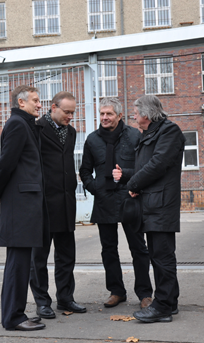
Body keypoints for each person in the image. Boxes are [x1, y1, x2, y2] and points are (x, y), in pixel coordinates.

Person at [116, 95, 185, 323]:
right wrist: (128, 175)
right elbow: (144, 167)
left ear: (146, 114)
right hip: (152, 204)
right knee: (158, 256)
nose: (133, 116)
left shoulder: (169, 131)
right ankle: (169, 302)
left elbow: (157, 165)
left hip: (161, 205)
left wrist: (133, 184)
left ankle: (162, 307)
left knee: (162, 257)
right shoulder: (150, 134)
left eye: (135, 112)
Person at [79, 97, 153, 309]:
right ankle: (117, 291)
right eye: (102, 113)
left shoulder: (134, 136)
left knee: (138, 248)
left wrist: (134, 185)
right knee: (108, 249)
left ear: (120, 116)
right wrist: (95, 187)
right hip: (104, 201)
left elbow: (145, 166)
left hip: (130, 198)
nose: (104, 117)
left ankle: (145, 294)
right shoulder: (92, 140)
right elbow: (84, 170)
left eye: (109, 114)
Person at [0, 85, 46, 331]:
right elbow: (6, 163)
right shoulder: (17, 125)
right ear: (21, 103)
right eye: (35, 100)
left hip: (25, 203)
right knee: (17, 263)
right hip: (20, 204)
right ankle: (12, 318)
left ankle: (17, 313)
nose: (39, 104)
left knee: (21, 262)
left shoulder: (25, 124)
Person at [30, 91, 87, 319]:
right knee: (39, 258)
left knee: (66, 255)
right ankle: (42, 302)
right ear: (53, 107)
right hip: (43, 203)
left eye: (73, 112)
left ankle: (66, 298)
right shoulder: (37, 129)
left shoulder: (71, 132)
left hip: (66, 202)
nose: (70, 116)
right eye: (66, 112)